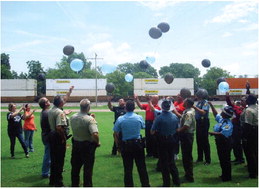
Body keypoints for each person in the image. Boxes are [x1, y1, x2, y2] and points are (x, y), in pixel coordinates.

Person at [113, 100, 150, 187]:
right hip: (138, 145)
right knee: (142, 168)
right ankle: (146, 185)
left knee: (128, 169)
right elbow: (143, 126)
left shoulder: (120, 119)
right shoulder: (138, 117)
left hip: (126, 146)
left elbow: (116, 133)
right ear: (134, 108)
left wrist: (118, 146)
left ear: (125, 108)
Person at [70, 99, 100, 187]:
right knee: (88, 169)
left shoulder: (73, 116)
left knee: (75, 168)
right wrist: (97, 142)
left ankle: (74, 185)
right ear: (88, 107)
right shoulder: (90, 120)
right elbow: (95, 134)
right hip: (87, 146)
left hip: (76, 144)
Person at [48, 86, 74, 187]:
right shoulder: (59, 112)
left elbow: (65, 99)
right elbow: (59, 127)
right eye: (63, 100)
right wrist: (64, 139)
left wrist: (69, 92)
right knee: (59, 160)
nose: (64, 100)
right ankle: (59, 183)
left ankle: (52, 181)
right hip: (58, 137)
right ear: (60, 103)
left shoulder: (52, 109)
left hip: (52, 135)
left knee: (54, 160)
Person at [151, 100, 180, 187]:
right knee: (172, 161)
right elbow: (177, 128)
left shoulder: (159, 118)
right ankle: (176, 181)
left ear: (162, 107)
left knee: (164, 163)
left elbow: (152, 131)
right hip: (172, 139)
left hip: (163, 140)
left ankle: (166, 183)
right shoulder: (175, 117)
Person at [208, 102, 234, 182]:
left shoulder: (227, 123)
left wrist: (211, 133)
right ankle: (224, 174)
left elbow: (223, 134)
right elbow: (216, 115)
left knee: (226, 160)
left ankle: (227, 177)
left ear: (226, 114)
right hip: (220, 142)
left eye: (223, 112)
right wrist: (212, 105)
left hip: (225, 143)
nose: (221, 112)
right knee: (222, 159)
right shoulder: (222, 119)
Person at [177, 98, 195, 183]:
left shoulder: (189, 113)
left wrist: (178, 130)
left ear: (187, 103)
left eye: (184, 101)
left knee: (187, 156)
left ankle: (189, 176)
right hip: (186, 135)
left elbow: (186, 125)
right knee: (186, 156)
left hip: (187, 135)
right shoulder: (187, 111)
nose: (183, 102)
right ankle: (187, 174)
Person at [225, 92, 245, 164]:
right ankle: (237, 157)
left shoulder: (243, 109)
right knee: (234, 143)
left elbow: (239, 114)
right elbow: (230, 104)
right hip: (234, 126)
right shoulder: (239, 108)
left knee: (237, 143)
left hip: (238, 126)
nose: (241, 102)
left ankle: (240, 159)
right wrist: (227, 97)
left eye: (242, 100)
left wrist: (236, 108)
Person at [193, 89, 211, 165]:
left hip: (204, 122)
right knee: (199, 140)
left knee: (205, 141)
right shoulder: (199, 102)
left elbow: (203, 112)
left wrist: (194, 107)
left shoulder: (206, 103)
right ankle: (200, 158)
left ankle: (207, 160)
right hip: (199, 122)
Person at [242, 94, 258, 179]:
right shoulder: (257, 107)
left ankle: (252, 172)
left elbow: (247, 124)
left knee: (250, 152)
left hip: (252, 131)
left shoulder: (249, 110)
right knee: (256, 151)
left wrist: (244, 136)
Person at [38, 97, 52, 178]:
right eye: (47, 100)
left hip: (46, 136)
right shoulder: (47, 113)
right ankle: (45, 173)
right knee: (48, 156)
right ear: (46, 104)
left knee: (50, 155)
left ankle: (50, 169)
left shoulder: (45, 112)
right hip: (48, 137)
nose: (49, 101)